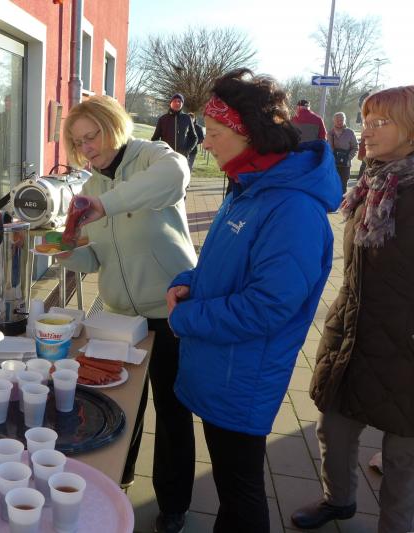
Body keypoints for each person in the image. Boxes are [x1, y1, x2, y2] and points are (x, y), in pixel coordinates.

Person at [166, 69, 342, 533]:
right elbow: (224, 266)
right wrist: (189, 282)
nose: (206, 143)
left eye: (215, 133)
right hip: (221, 367)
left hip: (242, 377)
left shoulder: (293, 208)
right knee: (231, 488)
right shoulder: (248, 185)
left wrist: (186, 318)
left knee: (241, 492)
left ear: (250, 134)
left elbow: (269, 306)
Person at [58, 95, 198, 533]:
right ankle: (117, 482)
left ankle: (173, 504)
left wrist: (107, 205)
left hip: (170, 311)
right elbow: (95, 258)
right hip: (119, 316)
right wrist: (63, 251)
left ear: (114, 126)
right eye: (78, 142)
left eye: (92, 136)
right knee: (119, 408)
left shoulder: (152, 157)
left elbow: (176, 177)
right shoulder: (90, 187)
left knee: (172, 412)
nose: (87, 148)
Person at [292, 86, 414, 533]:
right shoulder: (374, 183)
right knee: (334, 427)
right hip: (356, 331)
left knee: (403, 457)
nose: (368, 131)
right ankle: (338, 501)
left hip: (407, 345)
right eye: (367, 121)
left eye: (382, 122)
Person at [151, 93, 199, 167]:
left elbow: (194, 138)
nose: (177, 103)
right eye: (175, 101)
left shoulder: (187, 118)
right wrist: (161, 151)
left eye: (179, 101)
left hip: (182, 158)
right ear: (171, 103)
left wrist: (186, 151)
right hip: (166, 158)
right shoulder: (163, 119)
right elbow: (155, 139)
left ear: (182, 104)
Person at [327, 111, 359, 193]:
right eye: (337, 120)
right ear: (334, 121)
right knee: (332, 186)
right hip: (333, 164)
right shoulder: (330, 133)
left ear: (344, 120)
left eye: (341, 120)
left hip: (345, 165)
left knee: (343, 186)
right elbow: (328, 149)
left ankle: (342, 201)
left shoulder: (350, 133)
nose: (339, 122)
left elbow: (355, 147)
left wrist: (348, 158)